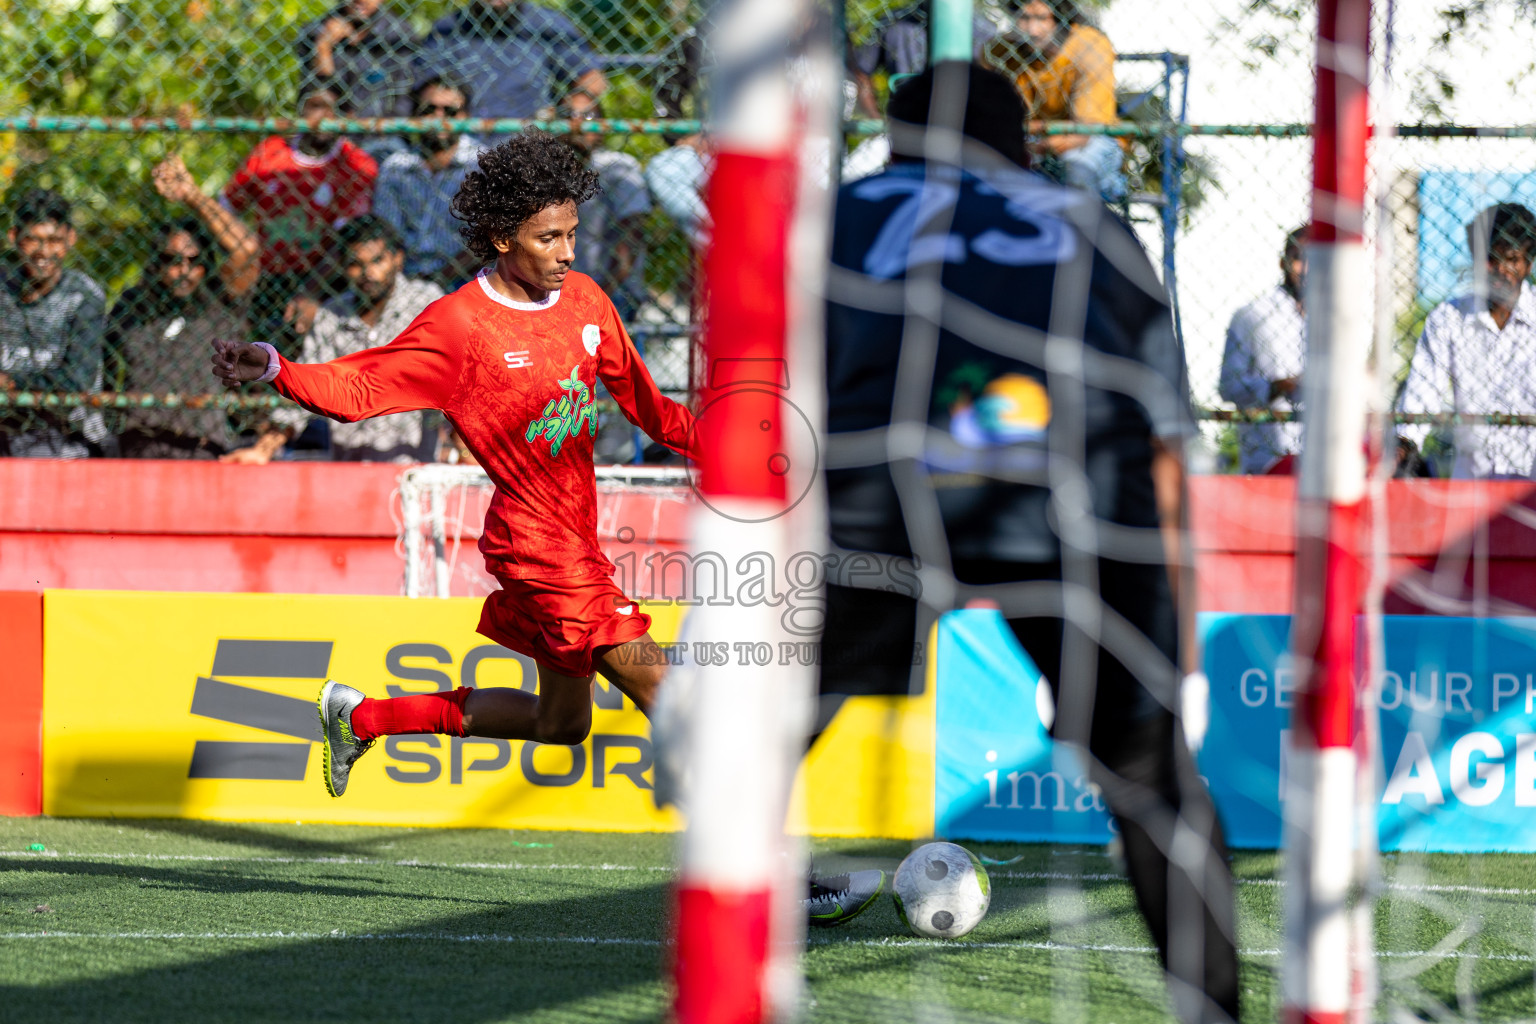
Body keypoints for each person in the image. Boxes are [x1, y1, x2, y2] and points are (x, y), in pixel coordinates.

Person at [814, 62, 1238, 1019]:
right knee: (1153, 780)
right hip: (1078, 504)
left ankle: (722, 973)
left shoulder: (838, 215)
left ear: (894, 136)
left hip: (885, 496)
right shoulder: (1093, 224)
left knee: (758, 748)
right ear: (1022, 147)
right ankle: (1212, 1009)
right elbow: (1168, 451)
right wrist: (1178, 642)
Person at [211, 132, 692, 804]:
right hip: (537, 548)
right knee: (672, 697)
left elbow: (650, 408)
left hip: (576, 541)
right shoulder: (460, 326)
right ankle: (778, 869)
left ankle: (362, 718)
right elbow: (359, 390)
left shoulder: (586, 300)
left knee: (562, 726)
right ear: (501, 238)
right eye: (548, 238)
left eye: (572, 234)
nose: (568, 253)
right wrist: (277, 370)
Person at [223, 215, 444, 464]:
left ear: (397, 259)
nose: (367, 273)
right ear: (342, 266)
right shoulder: (332, 315)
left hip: (414, 468)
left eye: (377, 261)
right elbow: (305, 384)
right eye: (355, 264)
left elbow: (460, 372)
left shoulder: (426, 304)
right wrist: (263, 450)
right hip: (349, 466)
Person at [106, 156, 262, 459]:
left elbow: (246, 249)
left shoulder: (219, 304)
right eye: (172, 260)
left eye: (194, 261)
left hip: (202, 447)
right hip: (142, 446)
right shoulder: (135, 306)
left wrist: (192, 196)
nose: (183, 270)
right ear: (157, 264)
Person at [220, 86, 378, 353]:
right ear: (301, 111)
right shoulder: (269, 152)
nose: (325, 116)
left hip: (328, 279)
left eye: (334, 109)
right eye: (316, 106)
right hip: (265, 276)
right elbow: (226, 209)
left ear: (347, 116)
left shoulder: (355, 164)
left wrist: (311, 293)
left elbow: (348, 239)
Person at [1400, 202, 1536, 478]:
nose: (1500, 269)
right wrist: (1404, 444)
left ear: (1528, 263)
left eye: (1511, 259)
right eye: (1490, 258)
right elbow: (1421, 395)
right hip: (1471, 483)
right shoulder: (1449, 318)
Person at [0, 189, 107, 459]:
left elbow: (76, 378)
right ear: (14, 237)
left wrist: (11, 383)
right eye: (32, 240)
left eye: (54, 240)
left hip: (67, 436)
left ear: (70, 239)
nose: (43, 251)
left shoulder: (83, 295)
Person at [987, 0, 1125, 202]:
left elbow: (1087, 129)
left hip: (1089, 140)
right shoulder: (1002, 49)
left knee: (1077, 167)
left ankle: (1082, 229)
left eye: (1042, 18)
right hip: (1029, 139)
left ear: (1061, 18)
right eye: (1025, 18)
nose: (1033, 30)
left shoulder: (1089, 45)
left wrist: (1036, 148)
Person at [373, 75, 484, 289]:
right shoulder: (397, 166)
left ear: (466, 116)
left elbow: (487, 239)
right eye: (429, 109)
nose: (438, 118)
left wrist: (438, 281)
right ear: (415, 114)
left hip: (465, 279)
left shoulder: (482, 166)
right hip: (404, 277)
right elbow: (387, 234)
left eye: (450, 112)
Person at [416, 0, 607, 119]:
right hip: (466, 139)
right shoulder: (447, 28)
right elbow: (427, 85)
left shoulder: (548, 24)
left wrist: (569, 110)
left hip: (533, 136)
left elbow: (591, 78)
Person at [1218, 226, 1307, 474]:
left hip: (1321, 459)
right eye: (1300, 258)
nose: (1309, 268)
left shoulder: (1335, 320)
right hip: (1267, 460)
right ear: (1284, 263)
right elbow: (1228, 387)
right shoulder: (1252, 316)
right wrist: (1276, 387)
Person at [295, 0, 417, 163]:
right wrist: (323, 48)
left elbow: (403, 103)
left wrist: (364, 125)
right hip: (330, 140)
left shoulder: (399, 36)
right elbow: (313, 97)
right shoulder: (316, 31)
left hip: (381, 140)